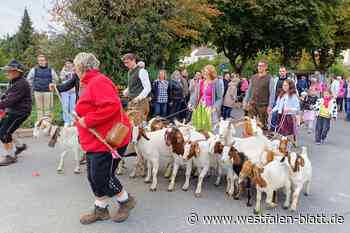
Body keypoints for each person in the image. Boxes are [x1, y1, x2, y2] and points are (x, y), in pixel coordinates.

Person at [73, 53, 135, 224]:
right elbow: (92, 106)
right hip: (96, 140)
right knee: (94, 177)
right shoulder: (89, 82)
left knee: (102, 177)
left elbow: (112, 107)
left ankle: (126, 201)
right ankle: (100, 209)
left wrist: (88, 120)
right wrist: (79, 117)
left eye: (76, 68)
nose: (75, 71)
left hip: (107, 140)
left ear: (82, 68)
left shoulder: (98, 81)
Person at [0, 60, 32, 166]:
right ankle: (19, 146)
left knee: (4, 132)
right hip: (13, 110)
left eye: (10, 70)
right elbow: (6, 96)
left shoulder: (21, 83)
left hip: (20, 111)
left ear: (17, 72)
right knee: (6, 128)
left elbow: (9, 101)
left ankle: (10, 156)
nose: (7, 72)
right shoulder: (14, 81)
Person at [244, 60, 275, 130]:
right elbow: (249, 91)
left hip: (263, 106)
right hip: (252, 104)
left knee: (263, 126)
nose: (259, 67)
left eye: (261, 66)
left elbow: (272, 93)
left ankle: (263, 140)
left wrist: (270, 106)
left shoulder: (270, 78)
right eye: (258, 66)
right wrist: (245, 102)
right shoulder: (253, 77)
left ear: (266, 67)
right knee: (250, 125)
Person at [27, 54, 58, 120]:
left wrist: (53, 84)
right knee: (39, 109)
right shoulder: (34, 69)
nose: (41, 62)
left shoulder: (50, 69)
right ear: (38, 62)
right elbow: (29, 79)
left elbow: (56, 79)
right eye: (39, 60)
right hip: (37, 91)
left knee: (48, 109)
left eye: (42, 60)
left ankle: (48, 123)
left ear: (46, 61)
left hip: (48, 91)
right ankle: (40, 123)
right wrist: (33, 85)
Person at [122, 53, 151, 125]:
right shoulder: (129, 72)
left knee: (139, 125)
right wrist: (126, 91)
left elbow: (147, 88)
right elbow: (132, 86)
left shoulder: (142, 71)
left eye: (127, 62)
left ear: (133, 60)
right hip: (132, 101)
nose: (126, 65)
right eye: (125, 63)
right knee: (130, 123)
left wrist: (138, 98)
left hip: (141, 102)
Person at [272, 80, 300, 144]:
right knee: (281, 131)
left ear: (290, 86)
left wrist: (289, 109)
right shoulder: (281, 94)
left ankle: (290, 142)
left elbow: (297, 108)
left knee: (288, 132)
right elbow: (277, 105)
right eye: (283, 85)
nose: (284, 87)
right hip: (281, 115)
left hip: (289, 117)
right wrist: (272, 111)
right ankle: (283, 143)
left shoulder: (293, 96)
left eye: (286, 85)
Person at [270, 66, 290, 131]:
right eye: (280, 71)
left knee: (283, 118)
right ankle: (272, 131)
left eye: (283, 71)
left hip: (285, 102)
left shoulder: (289, 80)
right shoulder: (276, 80)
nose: (282, 73)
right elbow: (272, 90)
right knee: (274, 116)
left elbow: (293, 90)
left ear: (286, 72)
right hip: (276, 101)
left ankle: (281, 131)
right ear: (279, 72)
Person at [59, 60, 76, 126]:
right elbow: (62, 78)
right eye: (67, 63)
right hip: (65, 91)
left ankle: (72, 120)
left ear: (72, 64)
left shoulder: (75, 70)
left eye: (69, 63)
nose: (68, 64)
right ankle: (66, 121)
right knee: (65, 106)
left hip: (73, 91)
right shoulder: (63, 71)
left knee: (73, 106)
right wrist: (67, 74)